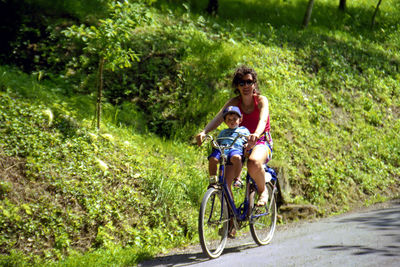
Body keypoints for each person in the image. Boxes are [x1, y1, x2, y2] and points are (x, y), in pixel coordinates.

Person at [196, 65, 273, 207]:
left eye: (249, 82)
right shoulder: (233, 103)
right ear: (237, 86)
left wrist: (255, 134)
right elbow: (218, 118)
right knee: (224, 183)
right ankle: (231, 219)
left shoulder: (261, 100)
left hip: (260, 141)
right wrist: (204, 132)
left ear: (254, 84)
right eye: (241, 83)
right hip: (237, 144)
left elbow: (263, 120)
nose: (246, 86)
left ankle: (263, 191)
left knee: (254, 162)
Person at [208, 106, 250, 195]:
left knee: (236, 157)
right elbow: (218, 142)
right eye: (229, 119)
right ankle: (212, 179)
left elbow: (248, 140)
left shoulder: (243, 130)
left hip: (235, 149)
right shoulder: (223, 132)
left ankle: (237, 178)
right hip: (223, 150)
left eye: (234, 119)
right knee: (213, 159)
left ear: (240, 119)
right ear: (225, 121)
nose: (232, 121)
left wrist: (247, 144)